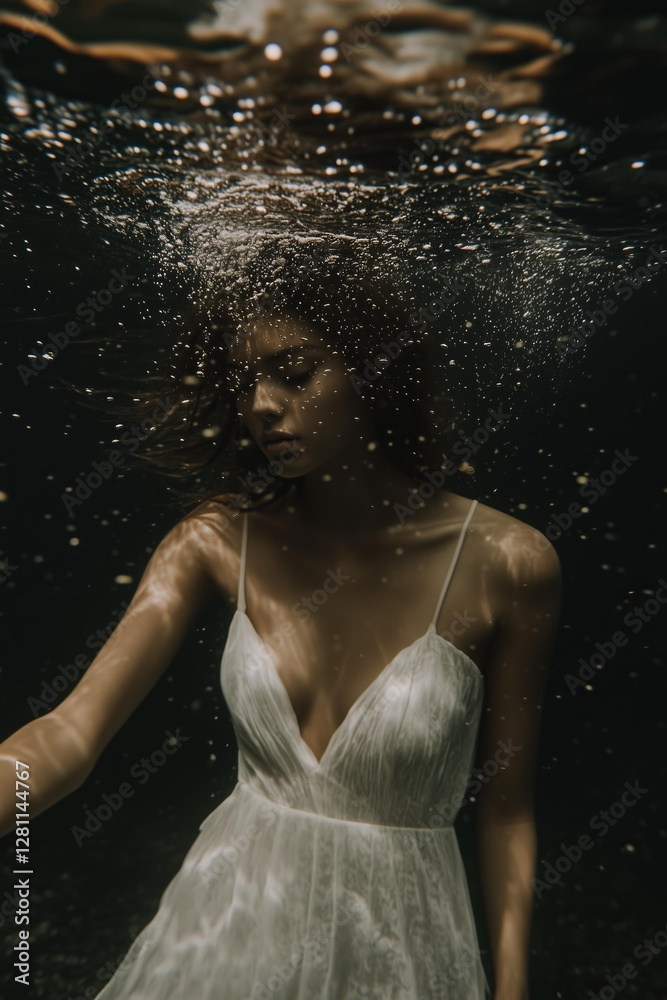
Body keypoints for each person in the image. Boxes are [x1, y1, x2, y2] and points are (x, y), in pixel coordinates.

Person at [0, 245, 561, 999]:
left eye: (294, 374)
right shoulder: (214, 540)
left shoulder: (511, 562)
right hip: (222, 934)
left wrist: (513, 986)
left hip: (404, 948)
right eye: (246, 382)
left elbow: (505, 810)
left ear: (373, 370)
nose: (262, 403)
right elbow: (69, 734)